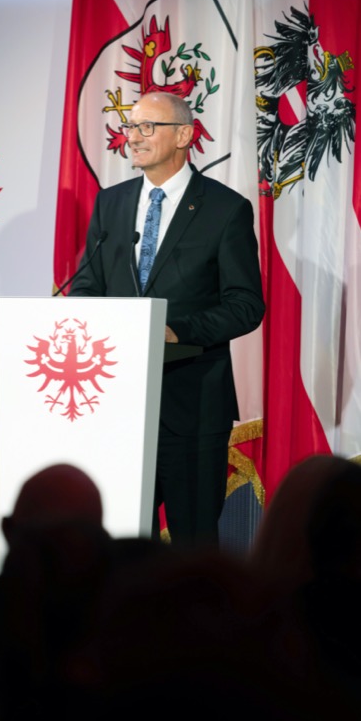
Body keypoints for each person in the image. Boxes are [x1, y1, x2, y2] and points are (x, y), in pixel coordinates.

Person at [69, 91, 265, 547]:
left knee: (193, 547)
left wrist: (177, 331)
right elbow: (86, 286)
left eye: (146, 127)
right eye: (130, 127)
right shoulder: (111, 203)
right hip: (117, 401)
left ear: (183, 135)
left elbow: (245, 304)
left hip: (192, 406)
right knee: (115, 543)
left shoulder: (225, 209)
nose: (132, 137)